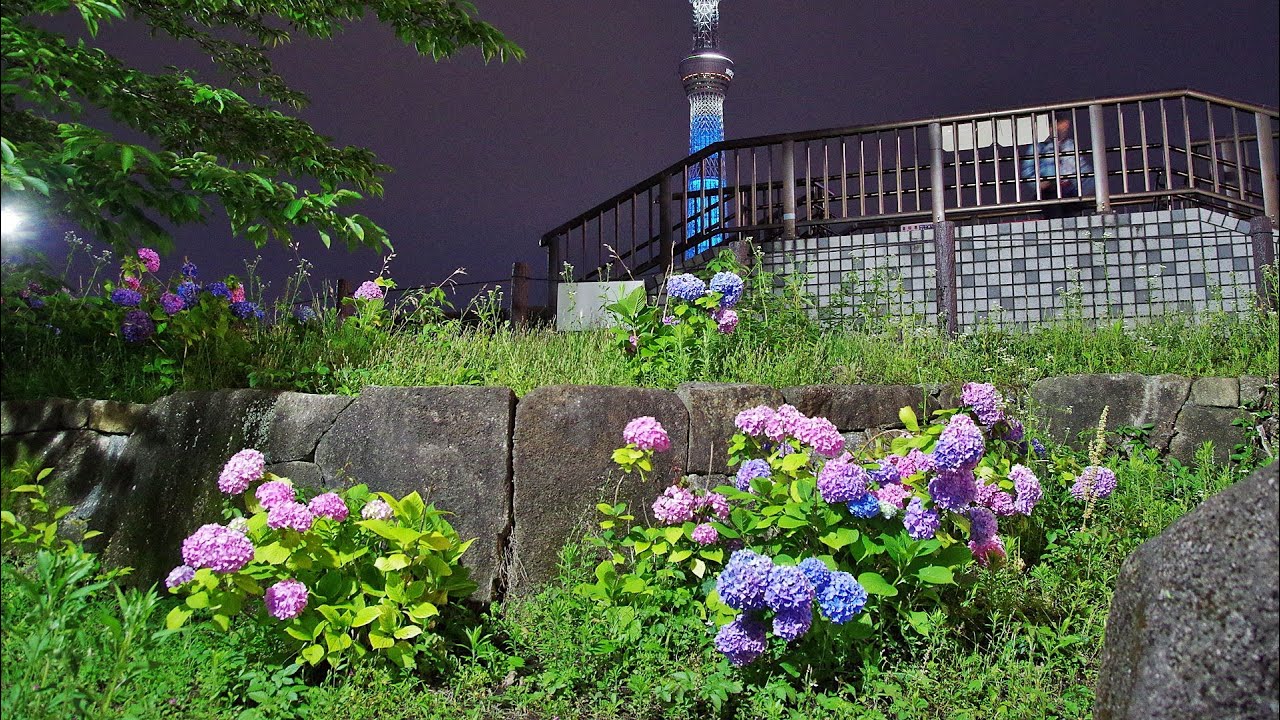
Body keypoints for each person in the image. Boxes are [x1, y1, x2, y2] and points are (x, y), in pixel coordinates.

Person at [1020, 116, 1095, 200]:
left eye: (1066, 127)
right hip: (1050, 189)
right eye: (1061, 126)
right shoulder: (1040, 146)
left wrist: (1087, 185)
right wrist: (1039, 183)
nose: (1064, 129)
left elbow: (1082, 167)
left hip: (1071, 189)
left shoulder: (1070, 144)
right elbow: (1028, 168)